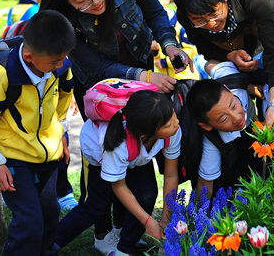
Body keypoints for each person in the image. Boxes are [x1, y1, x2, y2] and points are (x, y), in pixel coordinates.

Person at [39, 0, 190, 252]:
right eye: (81, 0)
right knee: (105, 164)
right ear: (65, 1)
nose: (94, 2)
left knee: (136, 167)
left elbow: (155, 12)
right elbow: (96, 69)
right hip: (99, 91)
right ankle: (102, 229)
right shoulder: (63, 19)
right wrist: (145, 77)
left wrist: (169, 43)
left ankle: (124, 230)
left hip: (142, 75)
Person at [54, 90, 180, 255]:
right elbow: (118, 186)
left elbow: (171, 175)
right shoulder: (118, 145)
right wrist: (148, 222)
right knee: (95, 206)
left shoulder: (172, 132)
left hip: (134, 157)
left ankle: (124, 247)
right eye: (168, 124)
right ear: (146, 135)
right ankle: (49, 245)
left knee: (147, 195)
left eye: (174, 116)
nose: (176, 122)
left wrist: (165, 218)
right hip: (98, 158)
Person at [0, 10, 75, 256]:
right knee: (29, 222)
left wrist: (62, 133)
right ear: (29, 57)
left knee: (50, 214)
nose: (60, 65)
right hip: (12, 158)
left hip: (48, 155)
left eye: (64, 57)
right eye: (54, 61)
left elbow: (63, 99)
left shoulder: (61, 67)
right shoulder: (2, 75)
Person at [173, 0, 274, 129]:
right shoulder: (186, 14)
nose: (211, 24)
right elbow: (205, 49)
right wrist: (229, 56)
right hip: (231, 69)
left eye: (214, 13)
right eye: (199, 21)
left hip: (265, 56)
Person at [186, 62, 261, 199]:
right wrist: (199, 215)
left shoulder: (229, 78)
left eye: (233, 106)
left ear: (228, 89)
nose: (237, 117)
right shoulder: (211, 142)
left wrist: (251, 88)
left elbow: (210, 64)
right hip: (228, 143)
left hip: (254, 128)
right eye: (224, 119)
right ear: (207, 126)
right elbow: (205, 183)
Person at [151, 0, 200, 80]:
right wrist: (155, 52)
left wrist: (165, 62)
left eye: (157, 0)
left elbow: (191, 49)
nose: (154, 5)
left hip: (186, 77)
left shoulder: (179, 22)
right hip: (165, 79)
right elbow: (156, 57)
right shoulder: (152, 25)